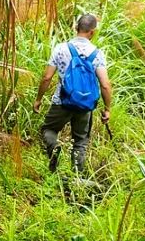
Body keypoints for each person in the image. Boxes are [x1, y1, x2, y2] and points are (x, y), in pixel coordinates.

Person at [32, 13, 112, 173]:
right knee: (80, 141)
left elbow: (47, 77)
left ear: (76, 28)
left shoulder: (61, 49)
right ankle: (76, 179)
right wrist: (107, 108)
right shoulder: (97, 54)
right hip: (85, 105)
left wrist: (38, 99)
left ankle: (55, 150)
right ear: (92, 32)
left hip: (61, 102)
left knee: (49, 130)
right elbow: (105, 85)